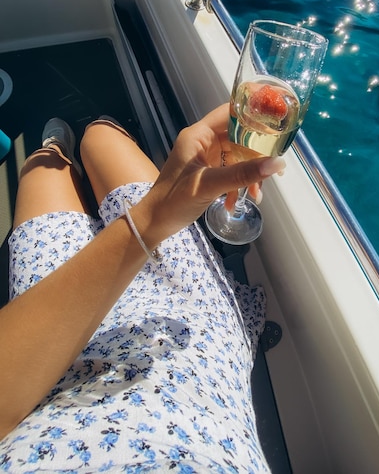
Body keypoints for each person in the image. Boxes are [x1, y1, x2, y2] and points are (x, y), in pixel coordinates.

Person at [0, 105, 285, 472]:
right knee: (101, 137)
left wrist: (156, 213)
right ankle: (95, 130)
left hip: (43, 378)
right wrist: (154, 214)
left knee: (40, 170)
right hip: (183, 332)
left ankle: (56, 148)